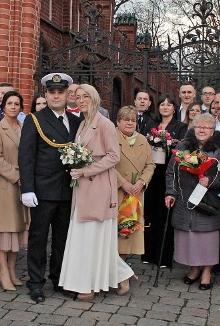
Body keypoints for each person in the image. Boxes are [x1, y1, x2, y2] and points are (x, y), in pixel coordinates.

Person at [59, 84, 134, 300]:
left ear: (95, 99)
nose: (81, 100)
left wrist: (86, 170)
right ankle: (120, 274)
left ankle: (90, 286)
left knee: (93, 236)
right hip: (83, 186)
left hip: (99, 185)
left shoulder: (105, 124)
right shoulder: (83, 124)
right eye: (78, 97)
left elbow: (114, 156)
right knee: (84, 237)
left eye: (86, 97)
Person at [19, 73, 81, 303]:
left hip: (68, 189)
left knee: (63, 239)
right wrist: (28, 189)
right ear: (45, 94)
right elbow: (25, 156)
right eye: (52, 92)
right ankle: (36, 283)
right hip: (43, 191)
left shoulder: (76, 121)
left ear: (67, 94)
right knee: (38, 238)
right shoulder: (34, 119)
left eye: (61, 92)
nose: (56, 96)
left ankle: (59, 279)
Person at [165, 113, 220, 290]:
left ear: (213, 131)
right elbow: (171, 172)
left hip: (208, 200)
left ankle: (207, 271)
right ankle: (194, 269)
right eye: (199, 126)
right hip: (185, 198)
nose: (202, 130)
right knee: (190, 236)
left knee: (207, 237)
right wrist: (170, 193)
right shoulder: (184, 145)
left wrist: (211, 181)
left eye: (206, 127)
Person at [0, 91, 29, 291]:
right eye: (9, 103)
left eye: (16, 104)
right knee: (4, 228)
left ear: (21, 107)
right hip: (5, 182)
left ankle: (12, 269)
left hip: (24, 184)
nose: (13, 107)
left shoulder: (24, 127)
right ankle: (3, 270)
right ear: (3, 106)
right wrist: (17, 176)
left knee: (18, 227)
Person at [142, 94, 187, 268]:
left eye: (169, 104)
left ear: (174, 108)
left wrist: (168, 143)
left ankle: (164, 256)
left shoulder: (180, 126)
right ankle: (147, 253)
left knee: (165, 216)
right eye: (162, 104)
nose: (165, 107)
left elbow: (181, 148)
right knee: (150, 213)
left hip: (169, 174)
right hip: (151, 173)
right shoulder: (150, 124)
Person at [114, 106, 156, 259]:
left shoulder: (142, 140)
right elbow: (106, 164)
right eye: (126, 120)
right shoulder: (111, 137)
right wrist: (122, 182)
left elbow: (150, 165)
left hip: (136, 192)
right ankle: (116, 270)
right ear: (118, 122)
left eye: (133, 120)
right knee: (117, 231)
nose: (130, 123)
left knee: (130, 231)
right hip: (117, 192)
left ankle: (123, 266)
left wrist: (142, 181)